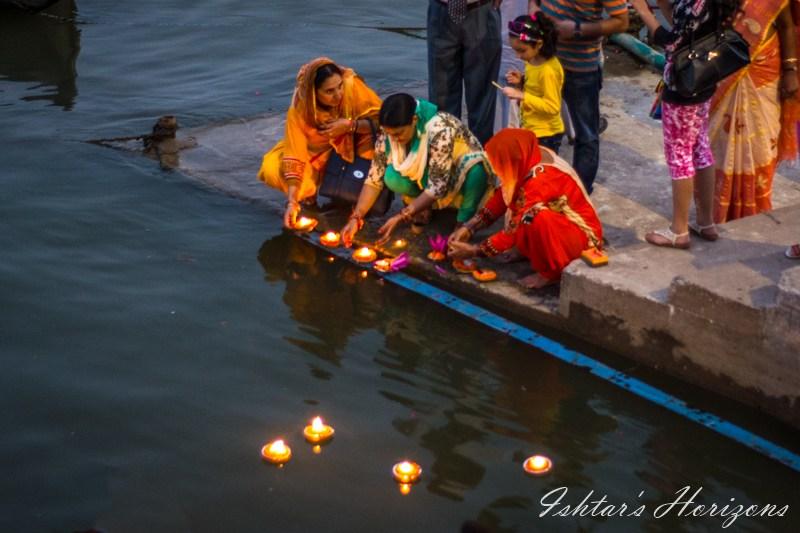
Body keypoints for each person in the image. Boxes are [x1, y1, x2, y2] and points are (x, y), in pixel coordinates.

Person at [631, 0, 739, 248]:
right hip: (703, 77)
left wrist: (643, 11)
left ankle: (678, 230)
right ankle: (705, 222)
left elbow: (672, 43)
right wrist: (664, 5)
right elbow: (687, 29)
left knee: (679, 154)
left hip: (683, 83)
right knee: (700, 147)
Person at [447, 129, 603, 289]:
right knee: (526, 213)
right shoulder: (529, 156)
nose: (496, 171)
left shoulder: (540, 180)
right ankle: (529, 251)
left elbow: (514, 229)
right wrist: (470, 227)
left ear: (514, 159)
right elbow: (504, 194)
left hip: (581, 239)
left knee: (534, 217)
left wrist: (474, 250)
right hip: (558, 224)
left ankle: (551, 273)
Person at [341, 93, 493, 246]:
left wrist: (401, 216)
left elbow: (437, 187)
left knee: (476, 173)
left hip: (458, 173)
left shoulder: (440, 130)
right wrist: (356, 217)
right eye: (389, 134)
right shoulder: (388, 134)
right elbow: (374, 178)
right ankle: (422, 207)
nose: (393, 139)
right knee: (392, 177)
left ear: (414, 120)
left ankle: (463, 225)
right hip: (430, 174)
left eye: (398, 134)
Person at [257, 57, 381, 228]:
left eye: (339, 87)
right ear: (313, 93)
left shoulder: (352, 87)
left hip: (357, 142)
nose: (338, 95)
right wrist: (292, 202)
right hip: (318, 153)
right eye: (329, 91)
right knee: (272, 168)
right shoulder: (301, 109)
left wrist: (350, 126)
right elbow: (295, 153)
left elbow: (384, 121)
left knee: (367, 163)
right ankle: (310, 193)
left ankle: (354, 193)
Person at [710, 0, 800, 224]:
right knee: (718, 146)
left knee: (760, 148)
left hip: (763, 74)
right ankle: (716, 211)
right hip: (722, 72)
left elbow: (787, 26)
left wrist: (790, 70)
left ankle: (755, 210)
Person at [537, 0, 629, 193]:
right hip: (545, 61)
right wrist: (533, 8)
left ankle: (577, 195)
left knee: (585, 135)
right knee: (543, 128)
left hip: (580, 68)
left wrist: (578, 29)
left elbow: (621, 21)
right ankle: (541, 190)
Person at [427, 0, 503, 145]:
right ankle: (444, 158)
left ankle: (479, 159)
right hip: (441, 10)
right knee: (441, 98)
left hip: (482, 9)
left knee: (482, 97)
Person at [500, 13, 564, 153]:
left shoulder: (548, 71)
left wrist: (521, 96)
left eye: (522, 50)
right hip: (531, 129)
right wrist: (522, 81)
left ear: (539, 44)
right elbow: (536, 88)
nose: (518, 56)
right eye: (515, 50)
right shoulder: (532, 60)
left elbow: (552, 107)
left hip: (546, 135)